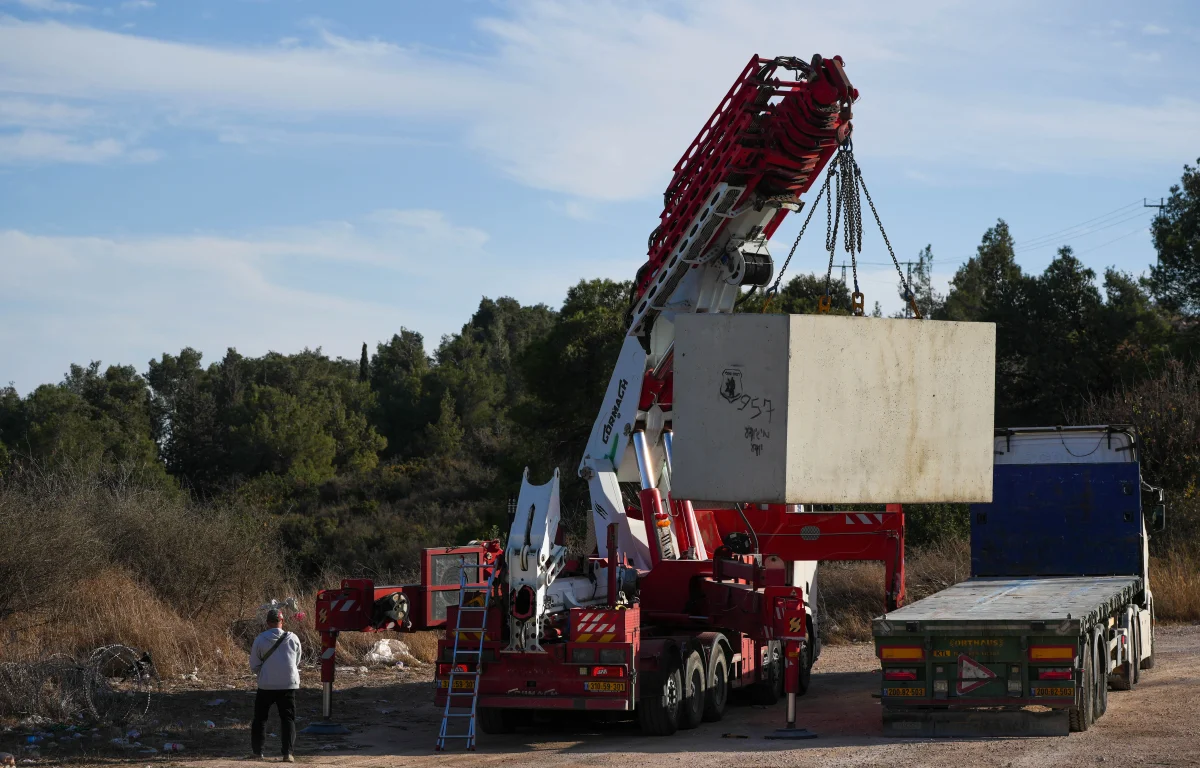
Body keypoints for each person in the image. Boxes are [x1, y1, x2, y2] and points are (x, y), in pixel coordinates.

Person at [249, 609, 301, 762]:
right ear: (282, 622)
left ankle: (258, 752)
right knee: (288, 719)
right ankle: (288, 754)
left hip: (266, 685)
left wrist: (264, 672)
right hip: (288, 684)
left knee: (260, 719)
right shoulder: (293, 638)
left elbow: (254, 664)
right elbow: (297, 660)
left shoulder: (260, 639)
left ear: (267, 623)